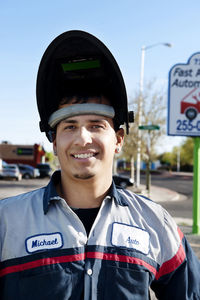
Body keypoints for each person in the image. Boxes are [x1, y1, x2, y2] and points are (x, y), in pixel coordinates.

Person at [0, 30, 199, 300]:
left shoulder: (156, 222)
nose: (83, 138)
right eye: (70, 126)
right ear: (54, 142)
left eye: (96, 125)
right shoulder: (6, 221)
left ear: (118, 139)